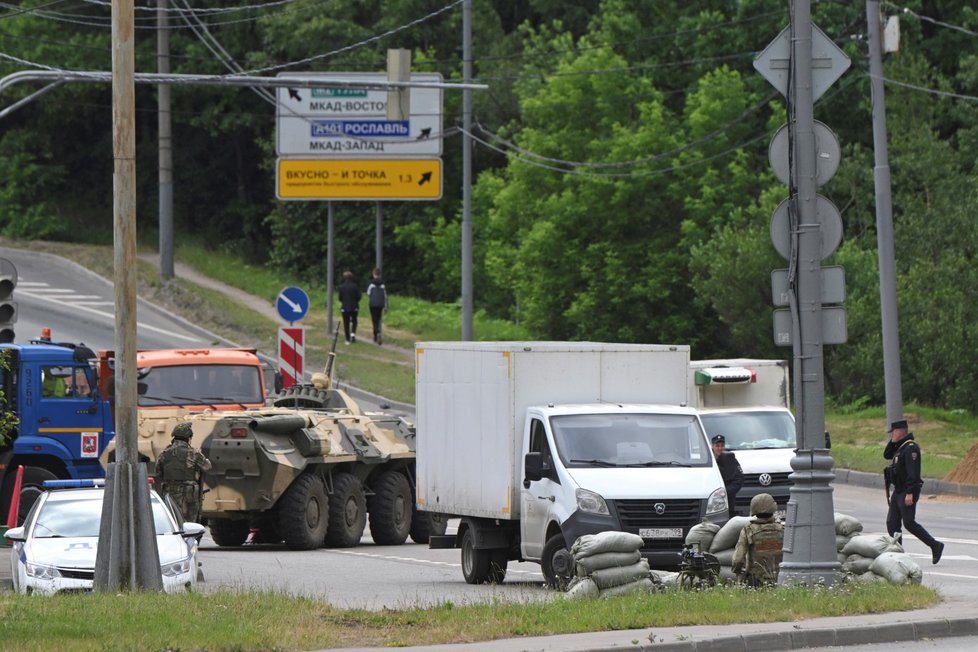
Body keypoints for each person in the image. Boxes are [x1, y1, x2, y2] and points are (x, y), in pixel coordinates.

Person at [884, 419, 944, 564]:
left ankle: (935, 545)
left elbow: (913, 473)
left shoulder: (911, 448)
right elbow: (887, 455)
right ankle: (899, 554)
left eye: (893, 432)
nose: (891, 435)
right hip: (899, 490)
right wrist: (893, 441)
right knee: (892, 523)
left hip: (907, 490)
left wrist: (910, 492)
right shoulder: (901, 446)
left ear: (899, 431)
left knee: (909, 523)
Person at [153, 421, 212, 523]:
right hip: (189, 494)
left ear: (174, 437)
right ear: (188, 438)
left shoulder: (165, 453)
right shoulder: (193, 453)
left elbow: (158, 472)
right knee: (189, 523)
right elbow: (207, 467)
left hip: (170, 493)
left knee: (173, 521)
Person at [732, 493, 784, 587]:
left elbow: (738, 559)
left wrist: (738, 573)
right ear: (773, 507)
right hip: (781, 580)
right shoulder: (783, 530)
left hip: (757, 582)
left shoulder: (748, 530)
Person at [711, 434, 743, 518]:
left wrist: (725, 492)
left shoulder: (731, 459)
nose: (720, 448)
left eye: (722, 446)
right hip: (711, 500)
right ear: (712, 446)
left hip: (728, 500)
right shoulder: (709, 460)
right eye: (717, 446)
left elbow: (739, 479)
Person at [338, 270, 361, 344]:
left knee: (346, 323)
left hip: (344, 307)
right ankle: (353, 334)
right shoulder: (355, 286)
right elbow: (359, 296)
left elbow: (340, 298)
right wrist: (355, 301)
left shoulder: (341, 287)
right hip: (354, 306)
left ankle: (347, 339)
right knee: (354, 321)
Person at [366, 267, 388, 345]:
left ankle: (376, 334)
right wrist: (386, 306)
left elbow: (368, 293)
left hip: (373, 304)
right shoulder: (382, 284)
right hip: (380, 304)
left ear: (373, 274)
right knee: (378, 319)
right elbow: (385, 296)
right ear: (380, 275)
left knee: (374, 319)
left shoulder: (371, 284)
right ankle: (378, 332)